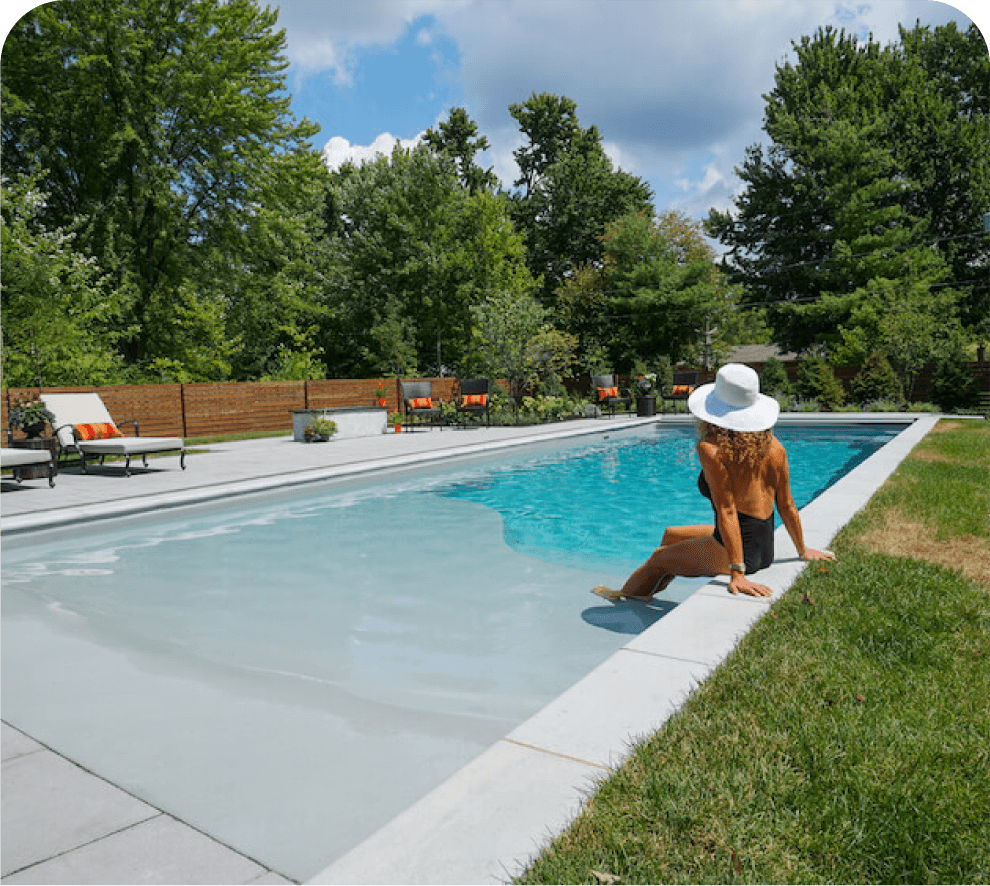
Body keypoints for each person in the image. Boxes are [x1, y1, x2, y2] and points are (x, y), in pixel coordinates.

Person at [594, 363, 835, 600]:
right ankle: (654, 586)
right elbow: (787, 504)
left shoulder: (712, 449)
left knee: (659, 557)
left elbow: (727, 510)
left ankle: (625, 597)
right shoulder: (775, 447)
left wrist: (737, 572)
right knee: (671, 535)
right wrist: (802, 550)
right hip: (764, 546)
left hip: (739, 552)